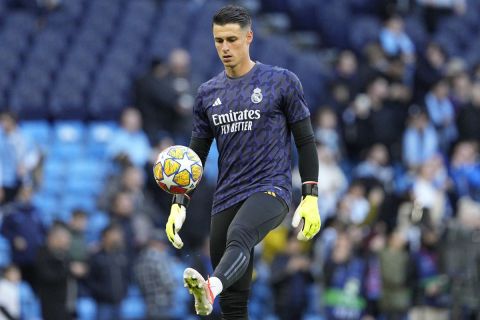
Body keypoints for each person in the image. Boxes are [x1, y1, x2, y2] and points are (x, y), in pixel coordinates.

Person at [163, 5, 321, 318]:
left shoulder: (281, 81)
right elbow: (196, 154)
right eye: (219, 40)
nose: (225, 48)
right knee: (234, 303)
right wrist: (178, 204)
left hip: (270, 189)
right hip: (226, 197)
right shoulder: (208, 93)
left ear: (249, 37)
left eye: (232, 40)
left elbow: (305, 140)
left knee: (240, 236)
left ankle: (209, 286)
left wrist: (310, 196)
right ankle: (215, 290)